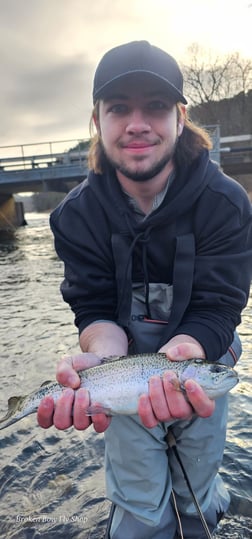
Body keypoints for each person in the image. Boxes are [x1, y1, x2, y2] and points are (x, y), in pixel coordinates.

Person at [37, 41, 252, 538]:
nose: (137, 123)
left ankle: (202, 511)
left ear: (180, 116)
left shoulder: (227, 203)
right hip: (123, 369)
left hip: (200, 357)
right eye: (119, 108)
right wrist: (101, 360)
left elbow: (220, 307)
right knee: (139, 504)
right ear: (97, 121)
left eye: (155, 105)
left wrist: (183, 358)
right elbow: (92, 310)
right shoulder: (75, 216)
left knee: (195, 487)